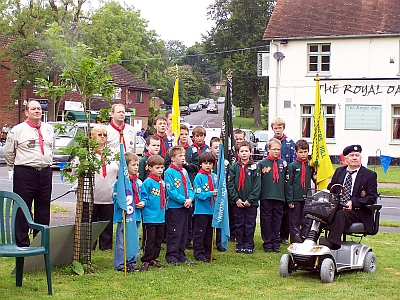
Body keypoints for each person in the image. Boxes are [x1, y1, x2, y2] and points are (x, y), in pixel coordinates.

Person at [3, 100, 55, 246]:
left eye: (39, 108)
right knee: (22, 208)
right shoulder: (17, 130)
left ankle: (40, 243)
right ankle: (21, 244)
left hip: (44, 172)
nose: (37, 111)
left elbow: (52, 147)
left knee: (43, 209)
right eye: (33, 109)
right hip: (25, 173)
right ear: (26, 112)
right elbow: (8, 152)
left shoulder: (49, 129)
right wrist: (14, 167)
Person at [319, 145, 378, 250]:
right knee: (317, 209)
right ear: (345, 159)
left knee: (342, 214)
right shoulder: (339, 172)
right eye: (351, 155)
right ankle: (309, 241)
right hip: (337, 206)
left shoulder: (370, 175)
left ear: (361, 158)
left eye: (357, 155)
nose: (355, 158)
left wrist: (353, 203)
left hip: (358, 211)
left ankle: (332, 243)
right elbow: (331, 189)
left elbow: (372, 198)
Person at [266, 117, 296, 246]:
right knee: (273, 211)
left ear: (283, 128)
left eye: (280, 128)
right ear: (272, 129)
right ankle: (272, 235)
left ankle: (283, 235)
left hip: (286, 179)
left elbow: (293, 161)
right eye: (275, 128)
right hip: (273, 182)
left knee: (285, 210)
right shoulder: (270, 142)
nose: (278, 130)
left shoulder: (289, 142)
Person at [228, 141, 261, 254]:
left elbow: (257, 186)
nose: (244, 153)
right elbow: (230, 184)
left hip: (251, 203)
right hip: (238, 202)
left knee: (250, 224)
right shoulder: (234, 167)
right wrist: (236, 199)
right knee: (239, 223)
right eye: (241, 151)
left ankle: (249, 244)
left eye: (246, 151)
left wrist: (250, 200)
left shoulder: (255, 167)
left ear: (250, 152)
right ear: (238, 153)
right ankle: (240, 244)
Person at [164, 146, 195, 265]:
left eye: (183, 155)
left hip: (186, 206)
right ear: (172, 158)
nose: (183, 158)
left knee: (184, 231)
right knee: (175, 231)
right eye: (180, 156)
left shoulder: (184, 171)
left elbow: (190, 187)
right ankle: (172, 255)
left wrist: (190, 198)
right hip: (175, 207)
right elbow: (171, 191)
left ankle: (181, 253)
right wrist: (183, 200)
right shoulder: (169, 172)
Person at [113, 152, 143, 272]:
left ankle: (132, 262)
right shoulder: (119, 183)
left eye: (137, 165)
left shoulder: (138, 182)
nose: (136, 167)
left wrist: (143, 202)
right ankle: (120, 264)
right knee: (121, 242)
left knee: (134, 240)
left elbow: (144, 196)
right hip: (124, 217)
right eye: (133, 165)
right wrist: (123, 203)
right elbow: (115, 197)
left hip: (135, 216)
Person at [91, 125, 119, 251]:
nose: (102, 137)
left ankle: (106, 246)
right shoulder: (87, 153)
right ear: (93, 137)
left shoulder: (113, 153)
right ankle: (90, 245)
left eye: (105, 134)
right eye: (100, 134)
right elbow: (75, 171)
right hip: (91, 195)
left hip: (109, 194)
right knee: (91, 222)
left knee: (107, 222)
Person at [258, 138, 287, 253]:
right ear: (268, 149)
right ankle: (267, 242)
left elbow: (286, 180)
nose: (276, 151)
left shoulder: (283, 164)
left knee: (277, 220)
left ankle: (276, 241)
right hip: (266, 196)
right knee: (266, 220)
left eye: (278, 149)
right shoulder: (262, 164)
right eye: (274, 149)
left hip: (279, 196)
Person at [139, 155, 166, 271]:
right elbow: (143, 196)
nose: (160, 170)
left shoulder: (162, 182)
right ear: (150, 168)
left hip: (160, 216)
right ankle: (146, 259)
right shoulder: (147, 182)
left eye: (162, 167)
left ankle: (154, 258)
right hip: (150, 217)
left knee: (158, 239)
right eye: (157, 168)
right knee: (149, 239)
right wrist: (144, 203)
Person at [285, 139, 315, 243]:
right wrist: (290, 200)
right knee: (294, 221)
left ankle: (304, 239)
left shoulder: (311, 165)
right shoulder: (293, 166)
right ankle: (295, 241)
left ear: (308, 151)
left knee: (306, 221)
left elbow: (314, 179)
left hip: (307, 198)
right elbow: (289, 184)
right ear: (296, 152)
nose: (303, 154)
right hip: (295, 198)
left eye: (305, 151)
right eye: (300, 152)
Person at [192, 152, 218, 262]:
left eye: (210, 163)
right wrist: (211, 193)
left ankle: (208, 252)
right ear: (201, 164)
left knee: (210, 233)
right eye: (205, 163)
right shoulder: (199, 177)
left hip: (212, 211)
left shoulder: (215, 176)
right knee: (200, 233)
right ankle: (199, 253)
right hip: (201, 211)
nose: (208, 166)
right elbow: (198, 194)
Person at [209, 137, 229, 252]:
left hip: (222, 194)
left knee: (221, 215)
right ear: (210, 148)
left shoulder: (225, 163)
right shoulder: (207, 161)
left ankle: (220, 242)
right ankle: (210, 241)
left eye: (219, 147)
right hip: (211, 194)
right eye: (215, 147)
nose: (217, 150)